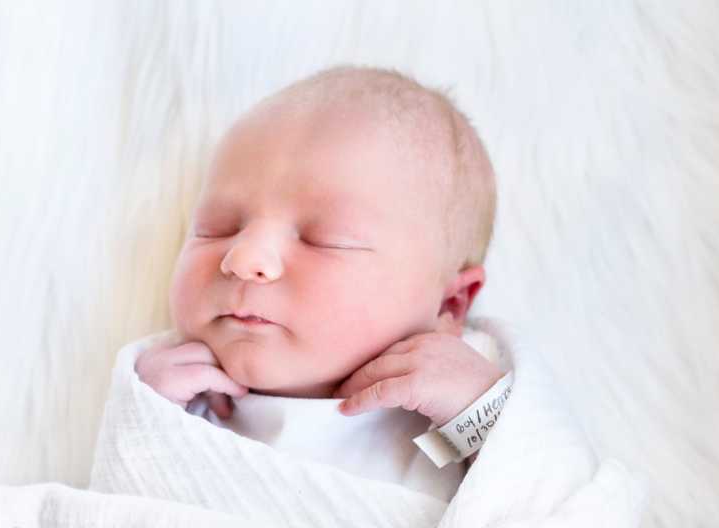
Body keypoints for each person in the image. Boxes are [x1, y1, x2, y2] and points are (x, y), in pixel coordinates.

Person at [133, 64, 509, 503]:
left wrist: (482, 418)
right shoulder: (185, 400)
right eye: (215, 229)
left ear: (450, 303)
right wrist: (144, 421)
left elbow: (552, 525)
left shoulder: (449, 414)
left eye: (324, 239)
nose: (244, 258)